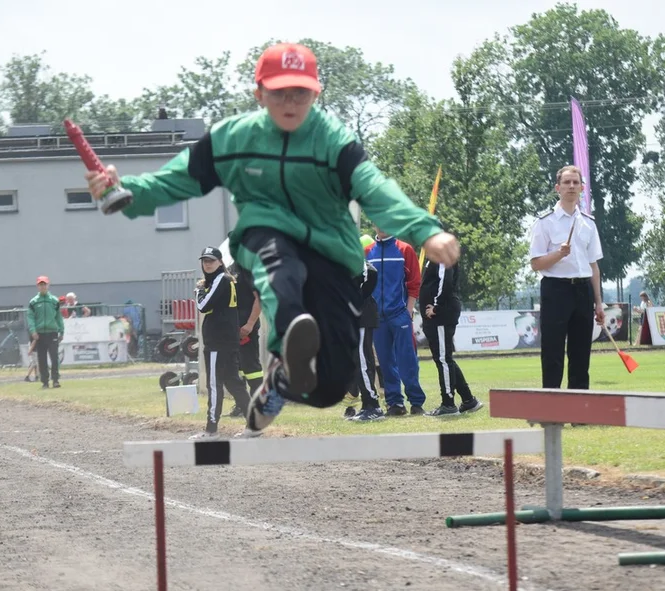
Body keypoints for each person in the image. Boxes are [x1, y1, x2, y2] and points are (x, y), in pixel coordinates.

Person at [84, 42, 459, 435]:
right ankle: (288, 342)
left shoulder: (333, 140)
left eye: (300, 92)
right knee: (278, 258)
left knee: (332, 384)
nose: (290, 102)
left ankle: (282, 381)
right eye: (280, 92)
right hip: (266, 238)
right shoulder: (233, 139)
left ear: (316, 93)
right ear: (259, 93)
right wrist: (123, 190)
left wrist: (424, 229)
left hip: (331, 252)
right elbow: (175, 179)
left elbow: (374, 187)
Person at [529, 166, 606, 390]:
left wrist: (599, 302)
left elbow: (594, 265)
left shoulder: (588, 223)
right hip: (556, 290)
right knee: (552, 352)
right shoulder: (544, 222)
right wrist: (558, 254)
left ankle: (579, 411)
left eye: (575, 183)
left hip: (583, 290)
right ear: (558, 188)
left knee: (581, 353)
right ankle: (552, 410)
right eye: (566, 182)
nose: (571, 186)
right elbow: (535, 264)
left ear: (582, 188)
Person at [365, 225, 427, 416]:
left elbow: (414, 282)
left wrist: (408, 309)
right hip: (377, 317)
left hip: (399, 314)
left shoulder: (405, 249)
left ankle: (416, 402)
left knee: (407, 360)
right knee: (385, 362)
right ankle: (395, 404)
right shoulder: (367, 252)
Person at [193, 246, 251, 439]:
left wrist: (198, 292)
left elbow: (203, 305)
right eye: (204, 261)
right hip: (224, 340)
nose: (207, 264)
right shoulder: (219, 280)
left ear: (220, 262)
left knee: (214, 384)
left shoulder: (221, 279)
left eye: (211, 260)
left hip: (219, 341)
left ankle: (211, 429)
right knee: (233, 382)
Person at [418, 257, 482, 416]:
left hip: (441, 315)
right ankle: (468, 400)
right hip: (437, 316)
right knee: (445, 358)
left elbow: (444, 281)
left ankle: (448, 403)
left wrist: (437, 307)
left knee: (443, 359)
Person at [346, 239, 384, 422]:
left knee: (363, 361)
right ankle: (367, 403)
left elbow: (371, 272)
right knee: (358, 362)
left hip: (362, 318)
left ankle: (373, 406)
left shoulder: (361, 265)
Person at [228, 260, 264, 418]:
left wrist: (250, 324)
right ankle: (242, 405)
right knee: (237, 368)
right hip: (232, 328)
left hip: (247, 329)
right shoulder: (230, 269)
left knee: (252, 368)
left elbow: (259, 298)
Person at [26, 276, 65, 389]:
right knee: (42, 359)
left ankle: (56, 380)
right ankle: (45, 382)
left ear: (48, 285)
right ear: (38, 286)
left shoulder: (54, 300)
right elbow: (30, 318)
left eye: (44, 284)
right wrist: (33, 331)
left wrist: (61, 331)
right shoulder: (33, 302)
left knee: (54, 357)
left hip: (52, 332)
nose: (43, 286)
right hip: (40, 334)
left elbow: (59, 317)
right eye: (40, 284)